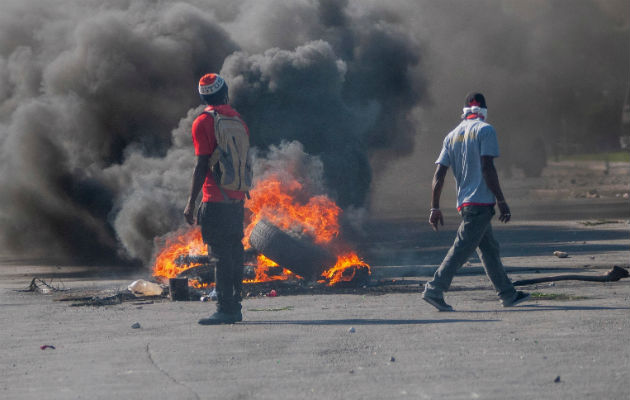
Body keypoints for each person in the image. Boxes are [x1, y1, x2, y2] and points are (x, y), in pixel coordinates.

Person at [422, 92, 530, 311]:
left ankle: (508, 294)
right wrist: (501, 200)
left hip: (466, 204)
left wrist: (434, 207)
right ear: (484, 111)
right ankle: (434, 289)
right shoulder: (485, 130)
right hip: (481, 203)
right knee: (461, 249)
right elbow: (487, 168)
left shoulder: (451, 135)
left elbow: (439, 175)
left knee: (490, 250)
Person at [184, 73, 249, 324]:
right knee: (234, 252)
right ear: (225, 94)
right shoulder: (238, 120)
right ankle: (236, 306)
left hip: (215, 199)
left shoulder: (203, 122)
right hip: (236, 199)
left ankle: (225, 309)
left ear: (203, 97)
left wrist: (191, 203)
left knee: (220, 255)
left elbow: (202, 165)